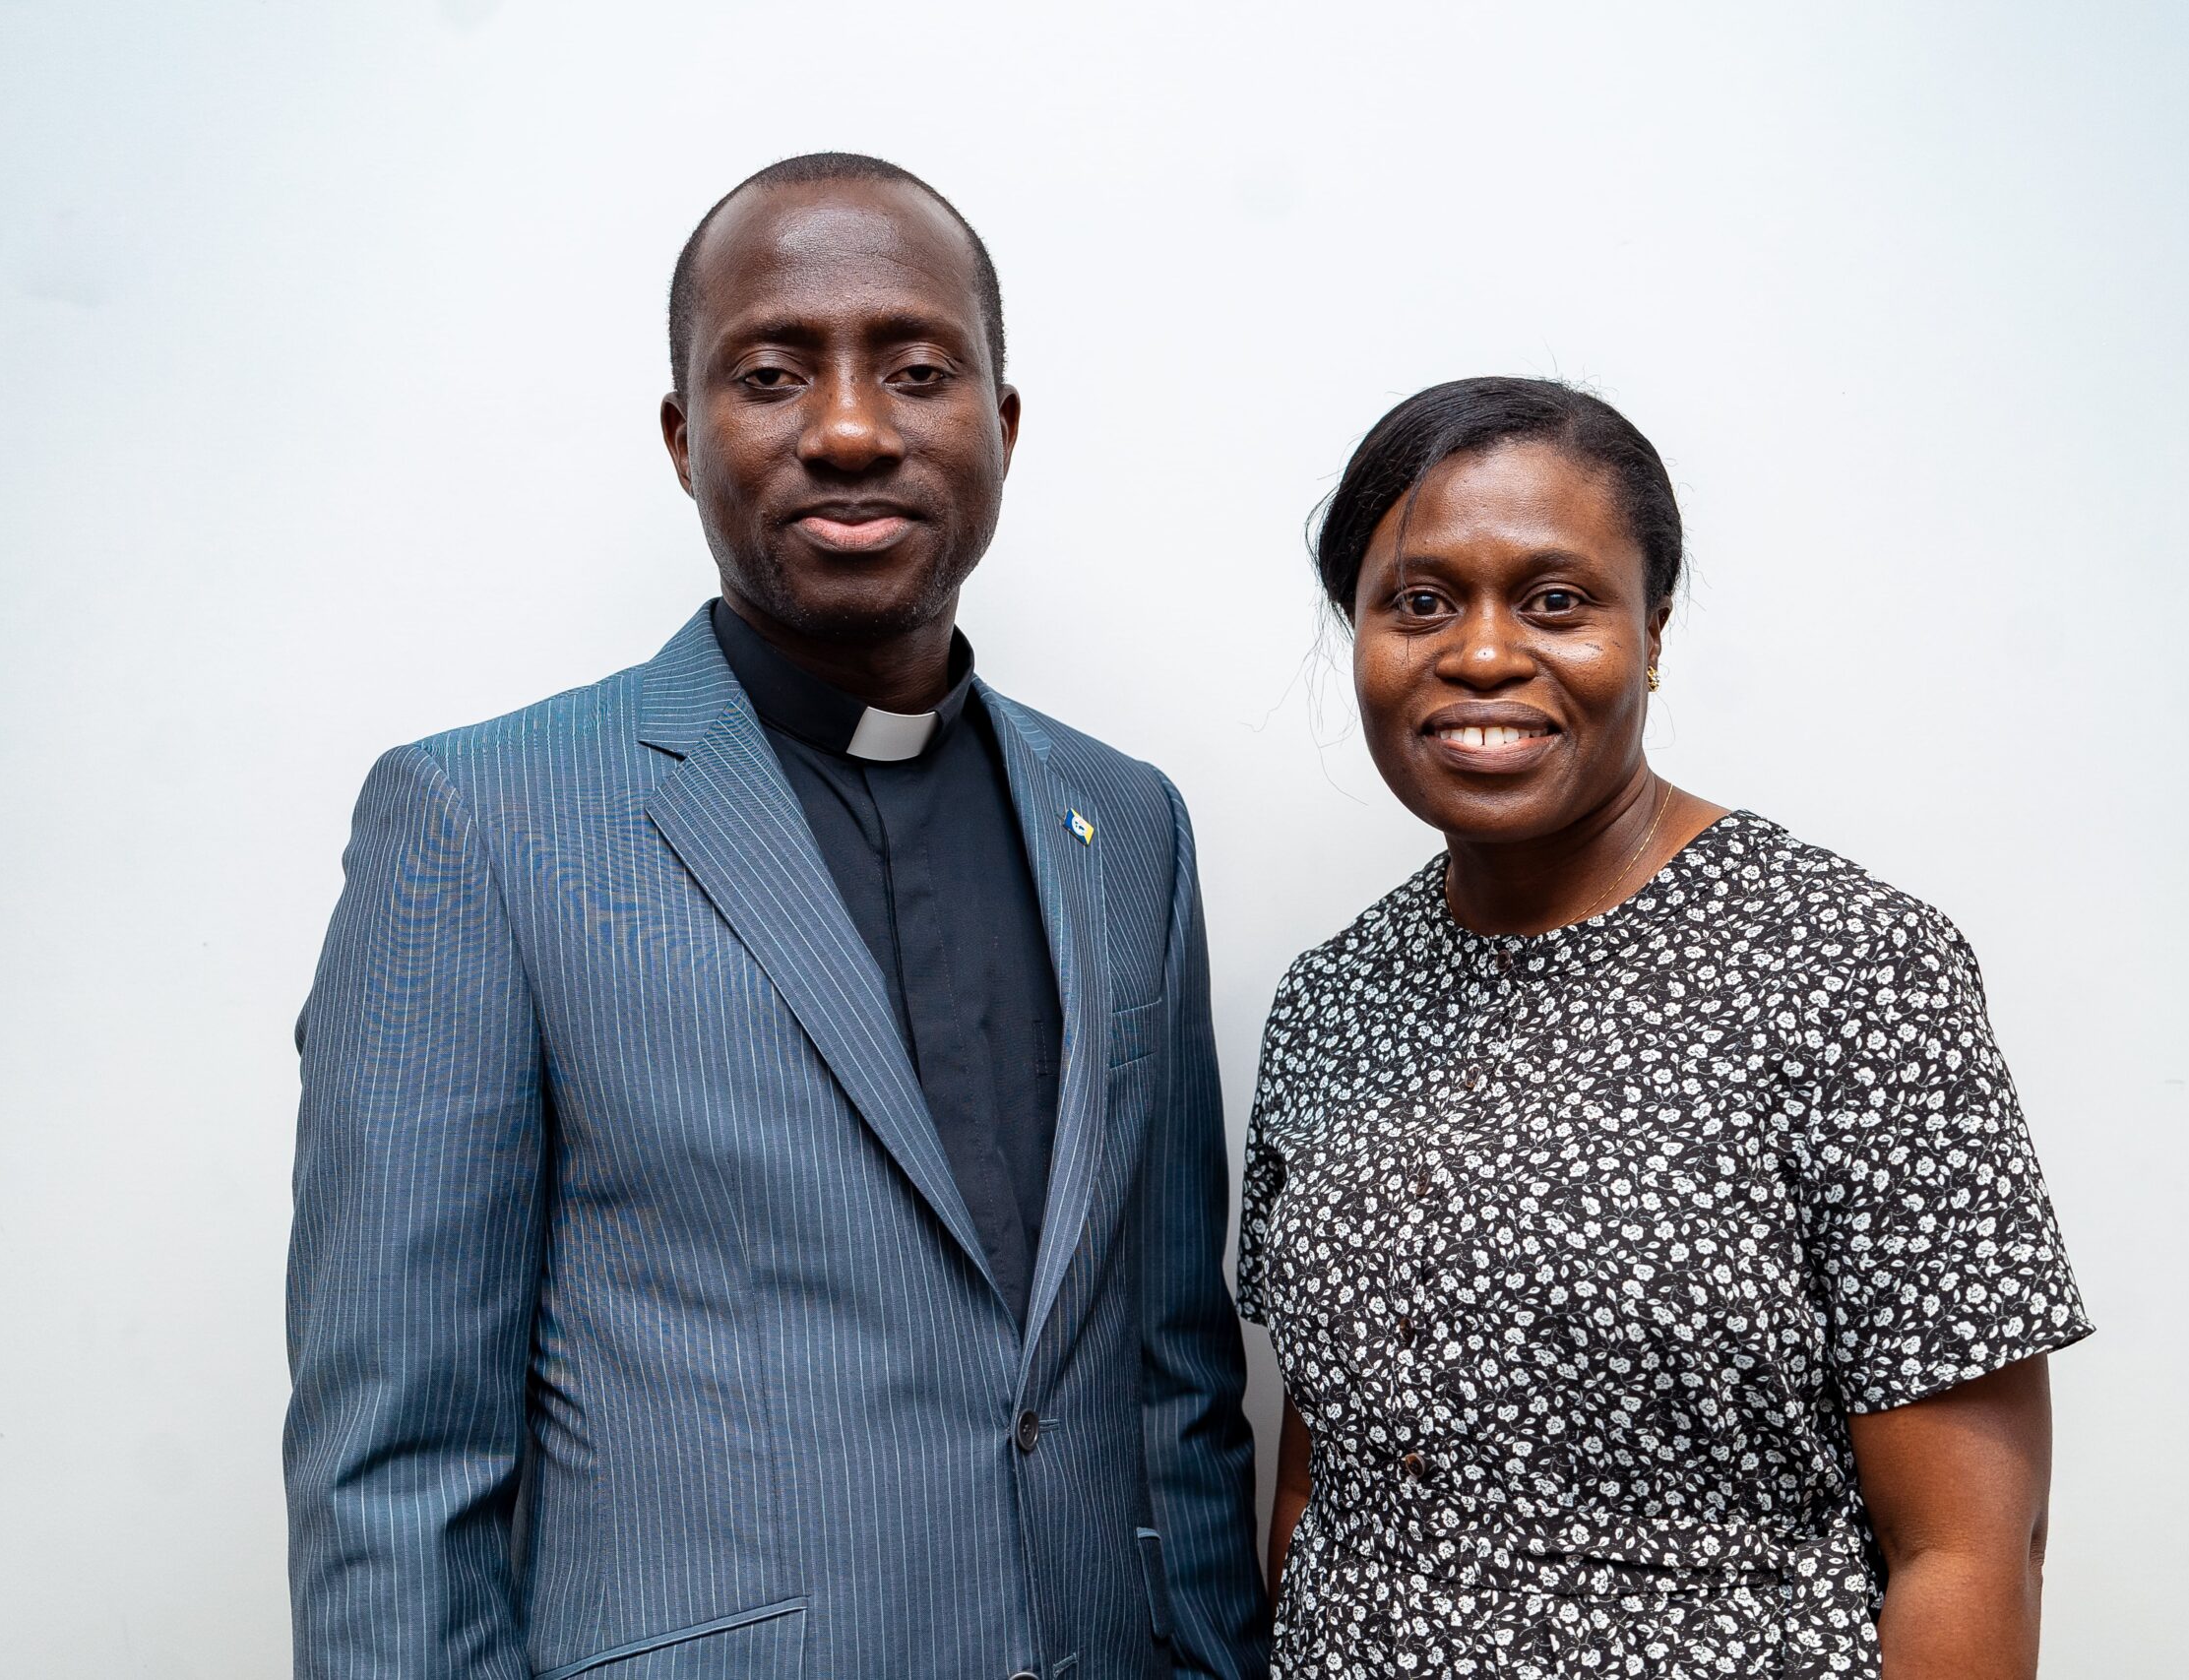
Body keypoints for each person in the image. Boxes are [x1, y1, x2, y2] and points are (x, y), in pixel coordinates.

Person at [285, 154, 1266, 1680]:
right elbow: (395, 1465)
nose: (852, 428)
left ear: (1003, 426)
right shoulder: (479, 822)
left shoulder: (1127, 824)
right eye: (771, 375)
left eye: (919, 371)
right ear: (684, 440)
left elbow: (1173, 1379)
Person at [1237, 376, 2092, 1678]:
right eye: (1419, 602)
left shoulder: (1852, 970)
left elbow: (1969, 1549)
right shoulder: (1328, 999)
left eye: (1556, 601)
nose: (1482, 653)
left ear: (1653, 631)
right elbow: (1324, 1476)